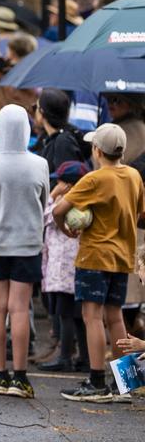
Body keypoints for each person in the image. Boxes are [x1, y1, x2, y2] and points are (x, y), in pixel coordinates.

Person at [54, 123, 145, 403]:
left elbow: (60, 209)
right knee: (115, 317)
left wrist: (65, 227)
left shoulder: (94, 179)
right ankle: (124, 384)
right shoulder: (133, 176)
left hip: (94, 255)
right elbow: (141, 214)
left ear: (96, 150)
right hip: (122, 256)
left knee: (91, 317)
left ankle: (96, 382)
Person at [0, 103, 49, 399]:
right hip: (27, 243)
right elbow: (43, 201)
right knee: (19, 309)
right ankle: (20, 377)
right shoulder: (39, 163)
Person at [39, 161, 92, 373]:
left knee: (66, 314)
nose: (57, 184)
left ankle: (65, 357)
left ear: (68, 184)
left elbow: (43, 217)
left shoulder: (66, 201)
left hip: (63, 268)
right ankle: (84, 358)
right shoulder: (86, 200)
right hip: (74, 266)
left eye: (60, 181)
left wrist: (52, 195)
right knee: (77, 316)